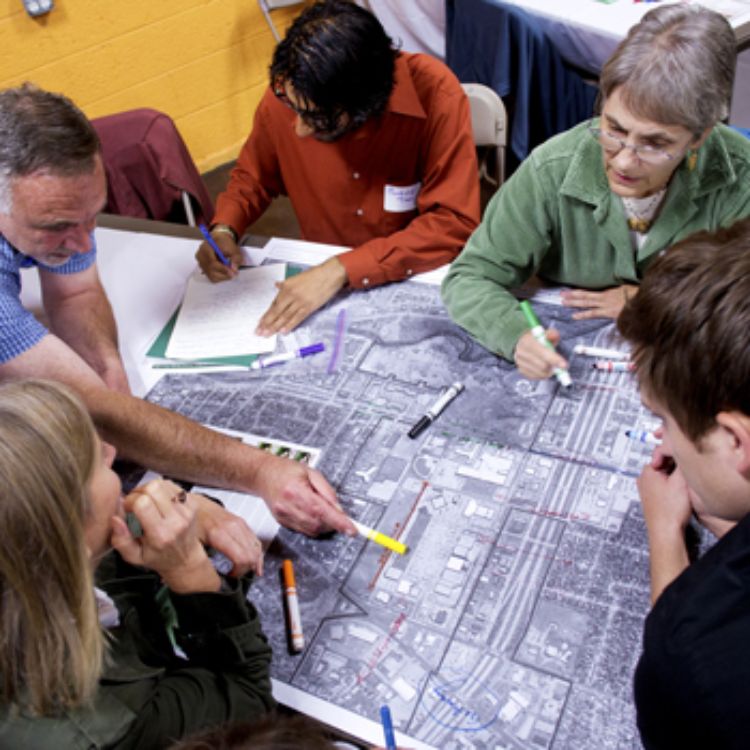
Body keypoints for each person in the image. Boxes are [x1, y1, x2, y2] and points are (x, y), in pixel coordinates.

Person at [0, 83, 355, 553]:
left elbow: (76, 290)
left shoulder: (55, 206)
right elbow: (88, 404)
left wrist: (107, 369)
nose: (85, 244)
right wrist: (262, 471)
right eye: (59, 227)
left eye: (92, 218)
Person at [442, 4, 750, 382]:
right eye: (614, 130)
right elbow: (471, 275)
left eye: (654, 144)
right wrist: (516, 335)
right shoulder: (553, 167)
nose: (623, 162)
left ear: (700, 136)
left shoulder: (741, 179)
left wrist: (652, 302)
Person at [0, 379, 276, 748]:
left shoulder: (25, 564)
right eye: (96, 462)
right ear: (67, 549)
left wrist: (186, 509)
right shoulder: (102, 723)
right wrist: (189, 571)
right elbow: (247, 702)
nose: (111, 451)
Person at [197, 0, 479, 335]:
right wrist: (225, 229)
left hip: (413, 278)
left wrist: (341, 270)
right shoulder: (295, 91)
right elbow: (252, 177)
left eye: (316, 119)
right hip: (318, 284)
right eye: (293, 107)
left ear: (367, 105)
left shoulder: (435, 93)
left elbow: (452, 224)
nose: (299, 129)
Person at [616, 219, 750, 749]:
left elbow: (699, 643)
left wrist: (665, 536)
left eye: (666, 421)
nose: (664, 443)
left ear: (737, 442)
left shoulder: (693, 654)